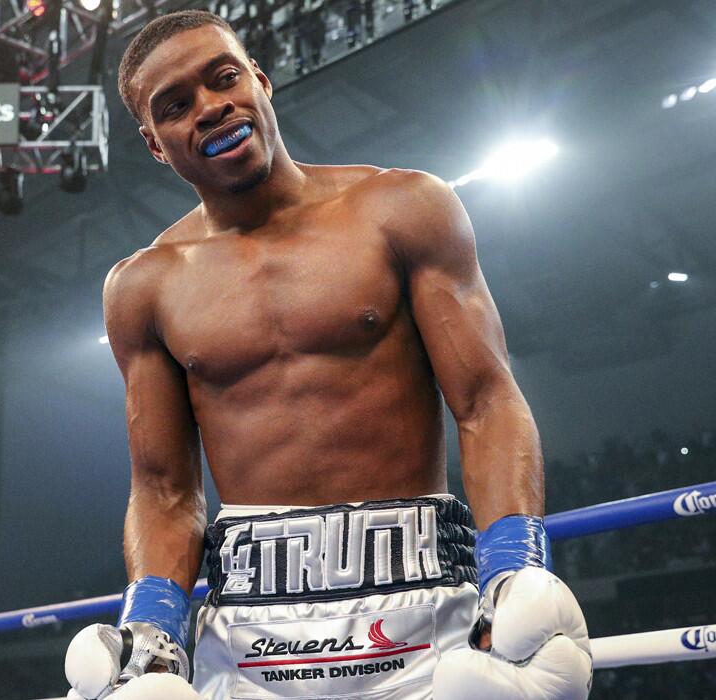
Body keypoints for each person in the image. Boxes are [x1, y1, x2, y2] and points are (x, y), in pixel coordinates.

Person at [64, 10, 591, 700]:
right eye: (176, 106)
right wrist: (154, 624)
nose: (211, 108)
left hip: (422, 610)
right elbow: (164, 487)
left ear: (259, 80)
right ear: (156, 144)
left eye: (223, 79)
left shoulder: (402, 208)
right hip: (249, 637)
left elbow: (486, 401)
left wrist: (513, 566)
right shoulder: (143, 285)